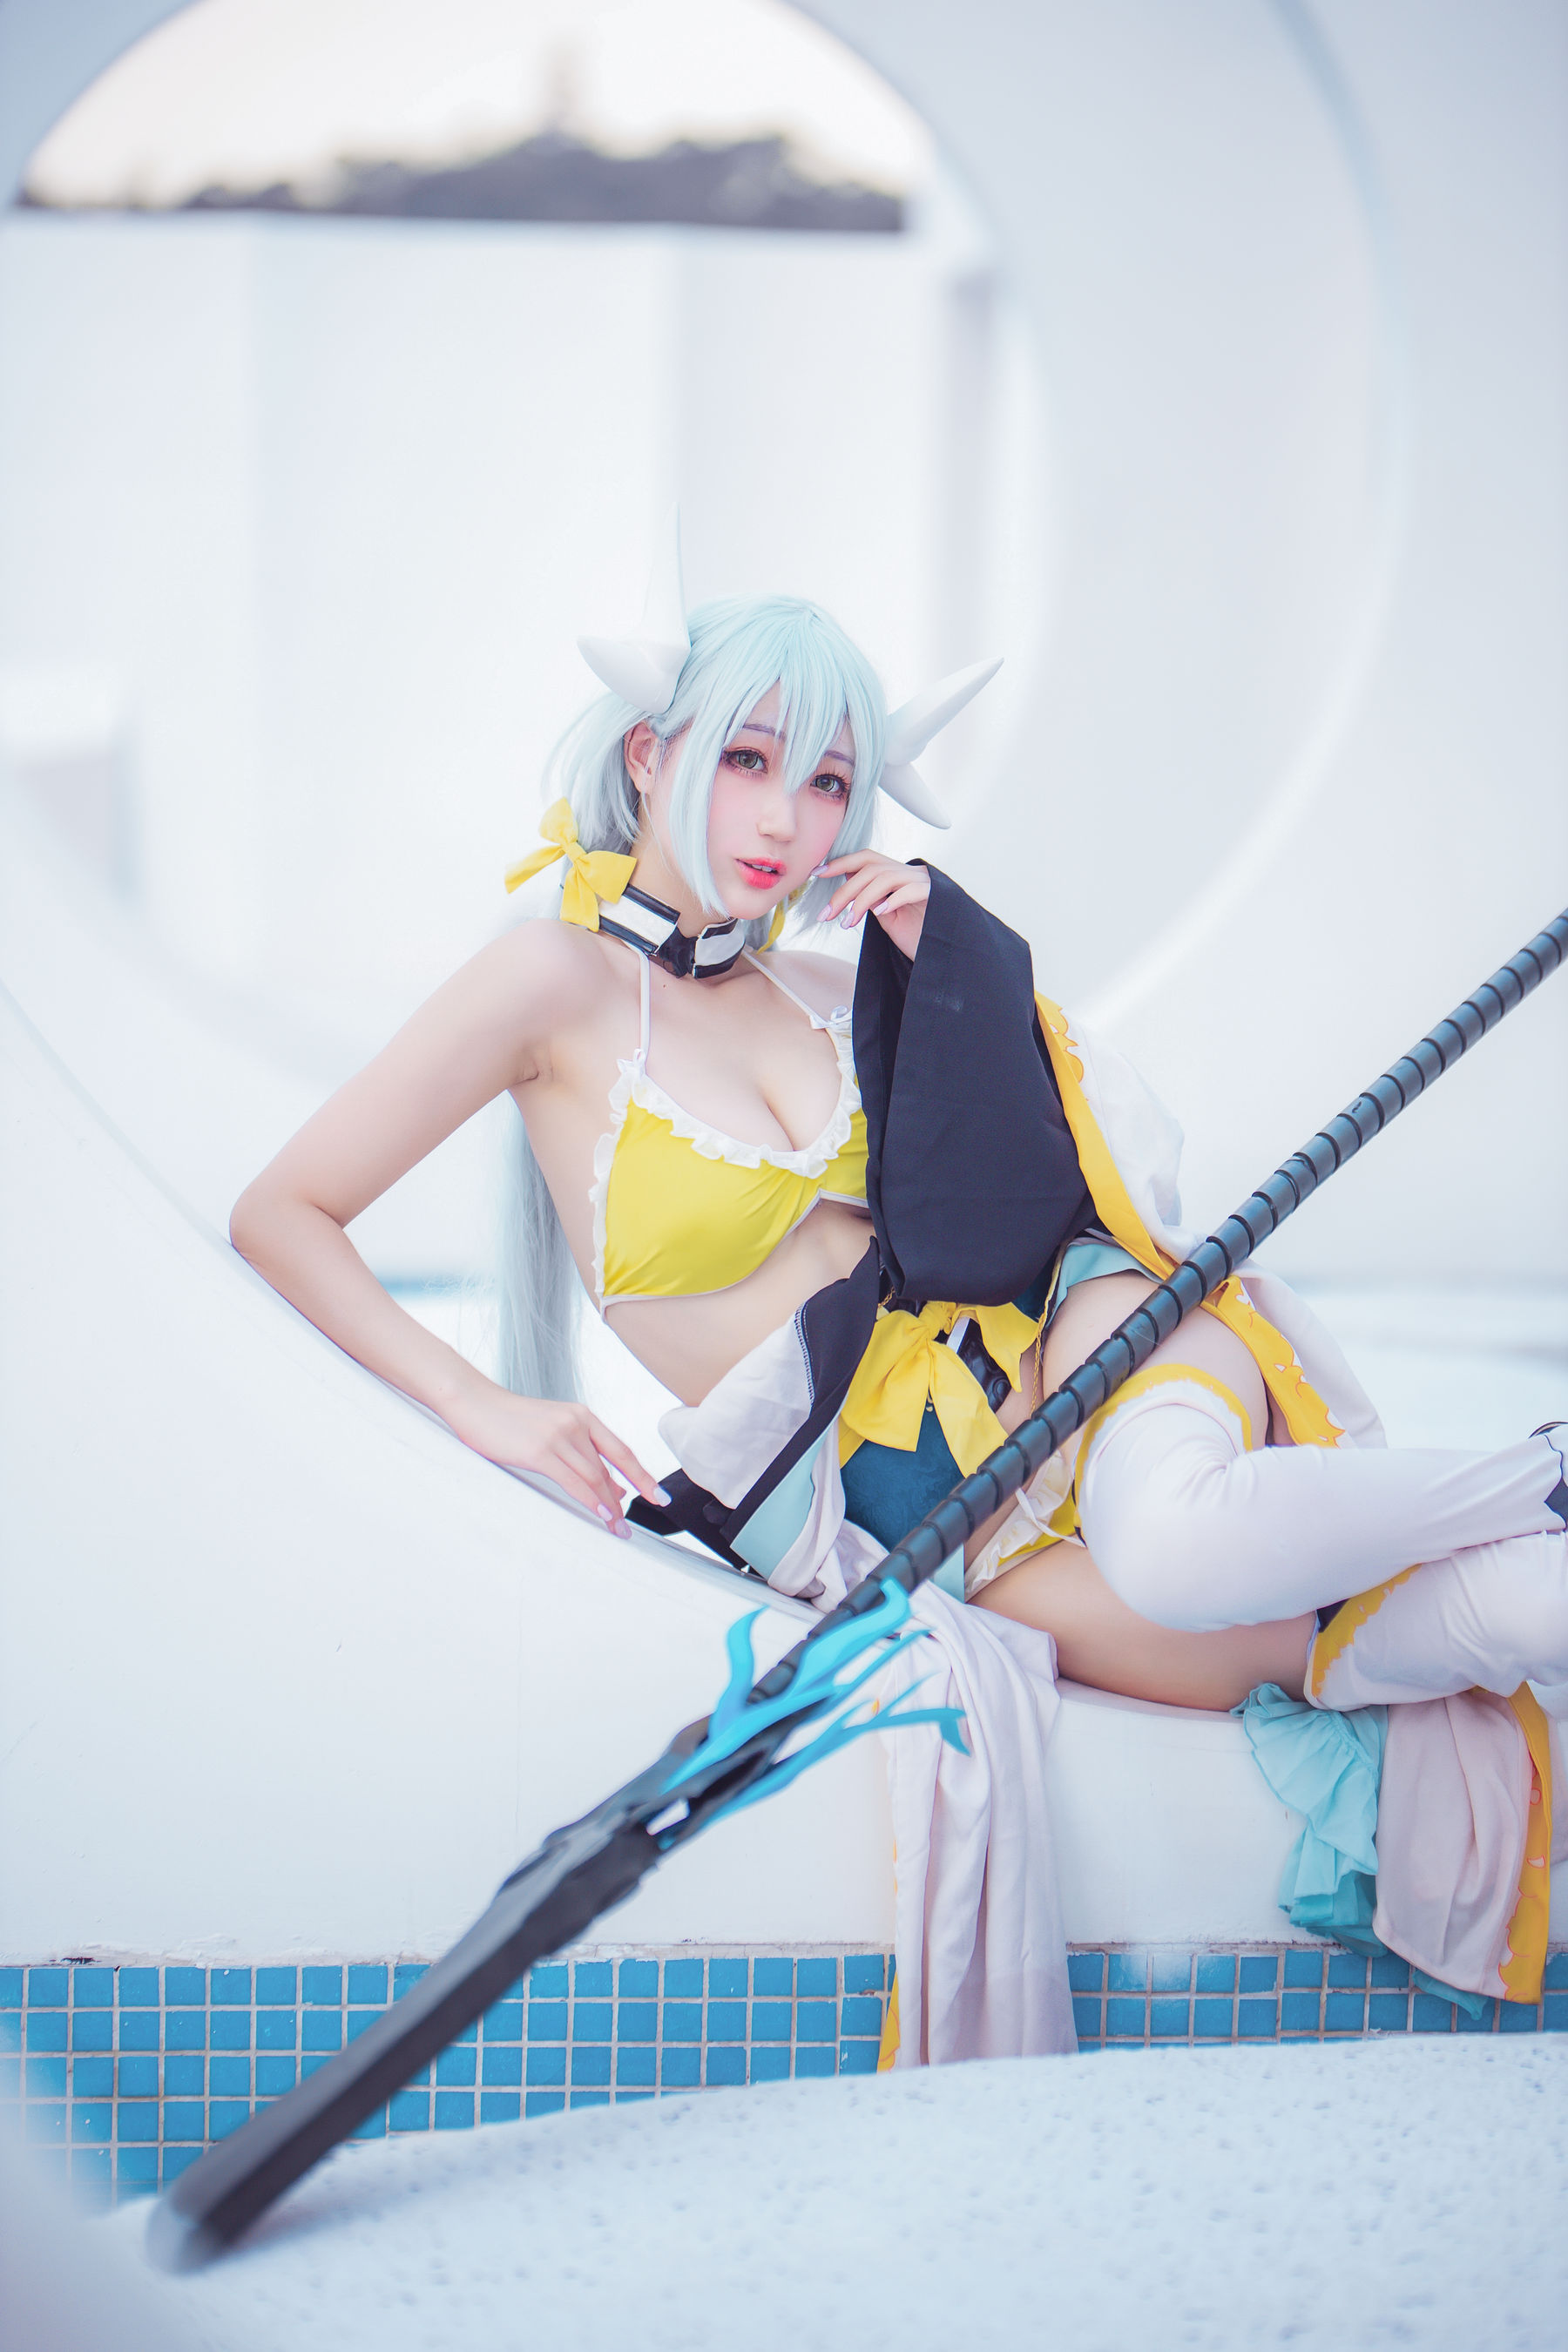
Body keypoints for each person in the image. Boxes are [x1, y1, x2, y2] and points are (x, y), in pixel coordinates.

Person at [232, 556, 1568, 2024]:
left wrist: (954, 967)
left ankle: (1542, 1468)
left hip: (1087, 1339)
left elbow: (1057, 1186)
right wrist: (483, 1403)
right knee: (1382, 1646)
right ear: (651, 753)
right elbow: (282, 1212)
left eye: (825, 783)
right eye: (750, 761)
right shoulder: (549, 985)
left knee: (1177, 1540)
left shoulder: (833, 982)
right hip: (941, 1519)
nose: (784, 819)